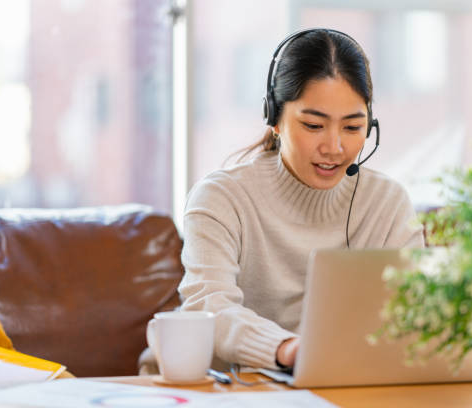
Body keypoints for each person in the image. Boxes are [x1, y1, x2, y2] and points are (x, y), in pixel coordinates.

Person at [178, 28, 424, 370]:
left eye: (352, 128)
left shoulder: (387, 203)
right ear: (274, 118)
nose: (335, 148)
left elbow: (415, 314)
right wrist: (288, 350)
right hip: (238, 393)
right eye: (313, 125)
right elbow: (208, 306)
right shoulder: (221, 199)